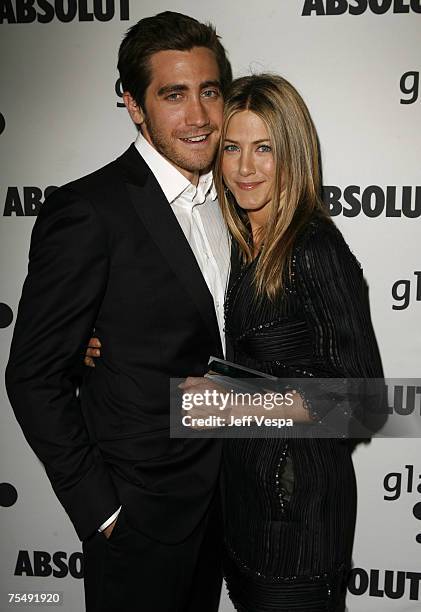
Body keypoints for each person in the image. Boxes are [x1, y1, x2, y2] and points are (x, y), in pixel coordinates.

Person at [5, 11, 232, 612]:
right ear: (134, 106)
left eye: (210, 91)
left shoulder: (236, 198)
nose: (199, 116)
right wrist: (102, 512)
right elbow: (32, 376)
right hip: (139, 519)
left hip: (224, 506)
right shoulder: (89, 211)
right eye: (173, 95)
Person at [179, 74, 385, 611]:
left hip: (298, 527)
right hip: (243, 513)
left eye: (264, 148)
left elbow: (364, 406)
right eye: (232, 148)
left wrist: (231, 402)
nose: (245, 168)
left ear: (291, 152)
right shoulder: (241, 241)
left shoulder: (314, 249)